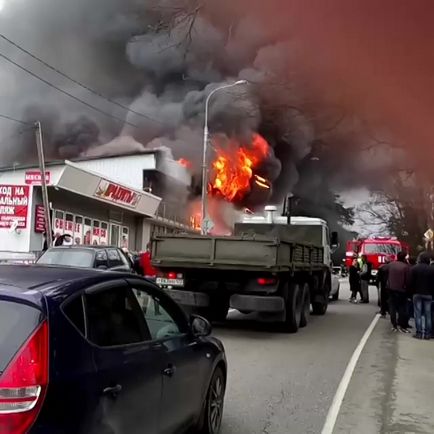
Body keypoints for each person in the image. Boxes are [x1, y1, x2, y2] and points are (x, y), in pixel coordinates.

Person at [410, 252, 434, 339]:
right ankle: (428, 333)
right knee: (428, 315)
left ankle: (419, 333)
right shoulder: (432, 270)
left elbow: (411, 283)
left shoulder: (414, 269)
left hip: (417, 293)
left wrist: (411, 293)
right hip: (428, 294)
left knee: (418, 314)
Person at [387, 251, 411, 333]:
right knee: (401, 307)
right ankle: (401, 324)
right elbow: (407, 280)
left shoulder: (391, 264)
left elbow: (384, 270)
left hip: (391, 289)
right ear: (404, 258)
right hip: (401, 290)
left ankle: (394, 325)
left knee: (392, 307)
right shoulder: (405, 267)